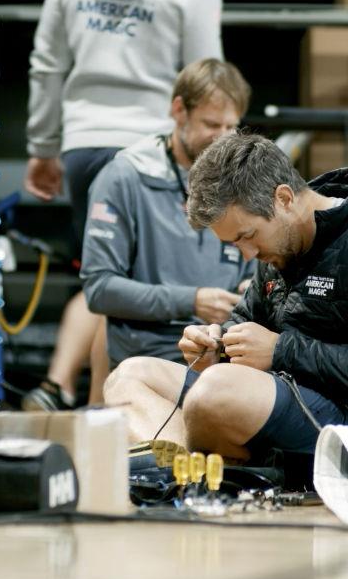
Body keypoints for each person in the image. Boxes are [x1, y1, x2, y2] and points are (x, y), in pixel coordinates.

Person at [103, 132, 348, 459]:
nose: (246, 254)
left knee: (213, 393)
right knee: (129, 376)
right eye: (234, 244)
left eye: (248, 236)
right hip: (280, 398)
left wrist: (282, 351)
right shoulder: (276, 248)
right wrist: (219, 342)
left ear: (284, 199)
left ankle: (197, 466)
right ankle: (182, 476)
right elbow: (247, 320)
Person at [23, 0, 224, 410]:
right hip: (153, 147)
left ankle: (66, 390)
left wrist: (43, 146)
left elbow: (47, 64)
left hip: (85, 141)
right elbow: (208, 76)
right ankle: (98, 411)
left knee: (108, 282)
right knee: (117, 288)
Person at [80, 58, 254, 374]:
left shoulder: (239, 178)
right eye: (212, 125)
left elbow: (259, 264)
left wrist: (252, 288)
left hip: (227, 351)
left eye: (232, 127)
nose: (223, 138)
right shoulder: (124, 177)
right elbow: (99, 289)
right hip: (150, 354)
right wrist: (191, 301)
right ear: (178, 111)